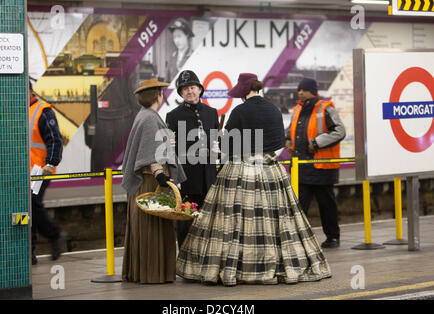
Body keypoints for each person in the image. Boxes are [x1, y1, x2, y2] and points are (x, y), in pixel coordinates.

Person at [176, 73, 332, 286]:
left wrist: (222, 145)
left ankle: (236, 267)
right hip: (270, 169)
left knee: (235, 221)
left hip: (240, 170)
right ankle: (277, 264)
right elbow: (278, 141)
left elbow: (227, 146)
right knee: (278, 220)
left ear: (243, 92)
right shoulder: (274, 110)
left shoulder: (239, 111)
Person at [121, 78, 187, 284]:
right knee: (153, 229)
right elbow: (151, 155)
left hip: (143, 184)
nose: (162, 95)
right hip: (151, 183)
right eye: (160, 91)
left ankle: (141, 272)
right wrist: (160, 174)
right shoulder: (150, 118)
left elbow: (150, 146)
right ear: (156, 96)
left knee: (145, 228)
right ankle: (154, 274)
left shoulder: (144, 116)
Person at [284, 77, 346, 249]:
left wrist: (317, 142)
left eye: (303, 89)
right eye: (299, 90)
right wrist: (287, 139)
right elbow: (290, 130)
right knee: (298, 205)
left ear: (312, 90)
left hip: (321, 166)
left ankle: (333, 237)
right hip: (301, 167)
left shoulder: (325, 107)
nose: (300, 92)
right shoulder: (297, 109)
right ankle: (298, 239)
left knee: (326, 204)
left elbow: (340, 131)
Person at [165, 70, 219, 248]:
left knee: (210, 223)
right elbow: (168, 149)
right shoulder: (173, 116)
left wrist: (218, 149)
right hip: (187, 178)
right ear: (180, 94)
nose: (190, 91)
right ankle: (185, 260)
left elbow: (217, 141)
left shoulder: (212, 113)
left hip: (209, 177)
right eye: (185, 89)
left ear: (200, 89)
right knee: (186, 222)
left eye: (193, 87)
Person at [29, 80, 66, 265]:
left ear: (28, 92)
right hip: (23, 171)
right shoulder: (19, 111)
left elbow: (55, 139)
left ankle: (55, 235)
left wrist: (51, 163)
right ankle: (30, 252)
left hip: (39, 170)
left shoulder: (43, 111)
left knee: (33, 204)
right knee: (29, 208)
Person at [166, 18, 194, 82]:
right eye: (174, 37)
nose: (176, 41)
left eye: (179, 36)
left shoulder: (193, 56)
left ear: (187, 35)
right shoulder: (172, 57)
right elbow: (166, 82)